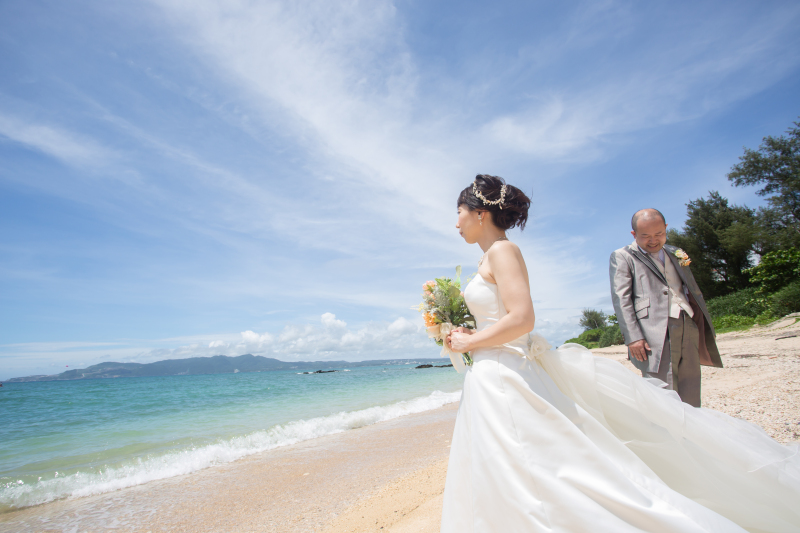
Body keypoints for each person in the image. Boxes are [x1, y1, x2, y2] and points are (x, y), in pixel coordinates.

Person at [441, 175, 799, 532]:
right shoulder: (488, 258)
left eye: (459, 212)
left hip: (505, 372)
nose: (456, 222)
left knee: (532, 462)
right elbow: (501, 319)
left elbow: (522, 318)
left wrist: (472, 342)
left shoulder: (503, 250)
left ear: (480, 213)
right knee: (507, 463)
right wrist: (465, 334)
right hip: (491, 372)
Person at [609, 209, 721, 407]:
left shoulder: (675, 252)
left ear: (666, 229)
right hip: (653, 330)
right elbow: (621, 298)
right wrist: (633, 337)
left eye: (659, 234)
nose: (653, 240)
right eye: (646, 236)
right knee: (662, 389)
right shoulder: (623, 256)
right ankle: (666, 435)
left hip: (687, 321)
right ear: (634, 234)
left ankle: (693, 432)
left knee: (691, 383)